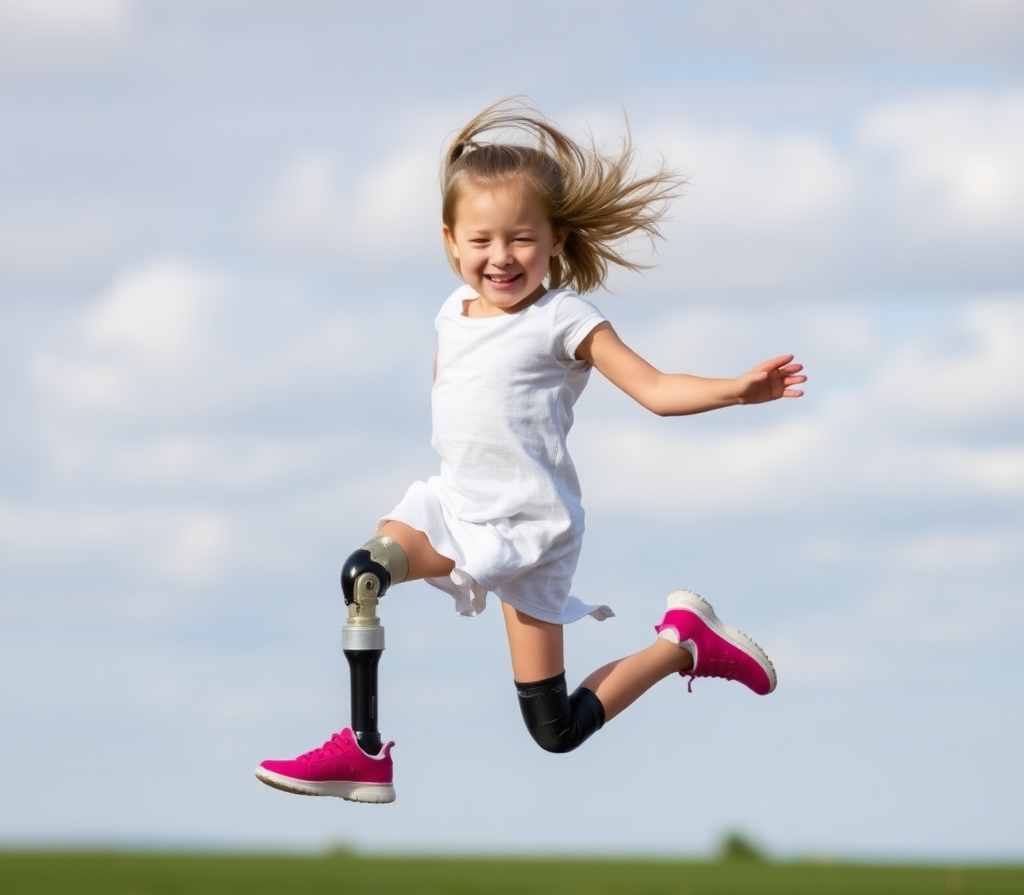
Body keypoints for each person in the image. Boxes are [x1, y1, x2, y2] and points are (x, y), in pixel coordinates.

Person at [255, 100, 806, 804]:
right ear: (452, 241)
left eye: (520, 238)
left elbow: (657, 388)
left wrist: (737, 390)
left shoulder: (566, 318)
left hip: (529, 532)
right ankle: (362, 751)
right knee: (364, 573)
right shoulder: (450, 313)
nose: (500, 256)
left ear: (555, 239)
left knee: (556, 730)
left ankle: (682, 643)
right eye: (481, 240)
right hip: (455, 506)